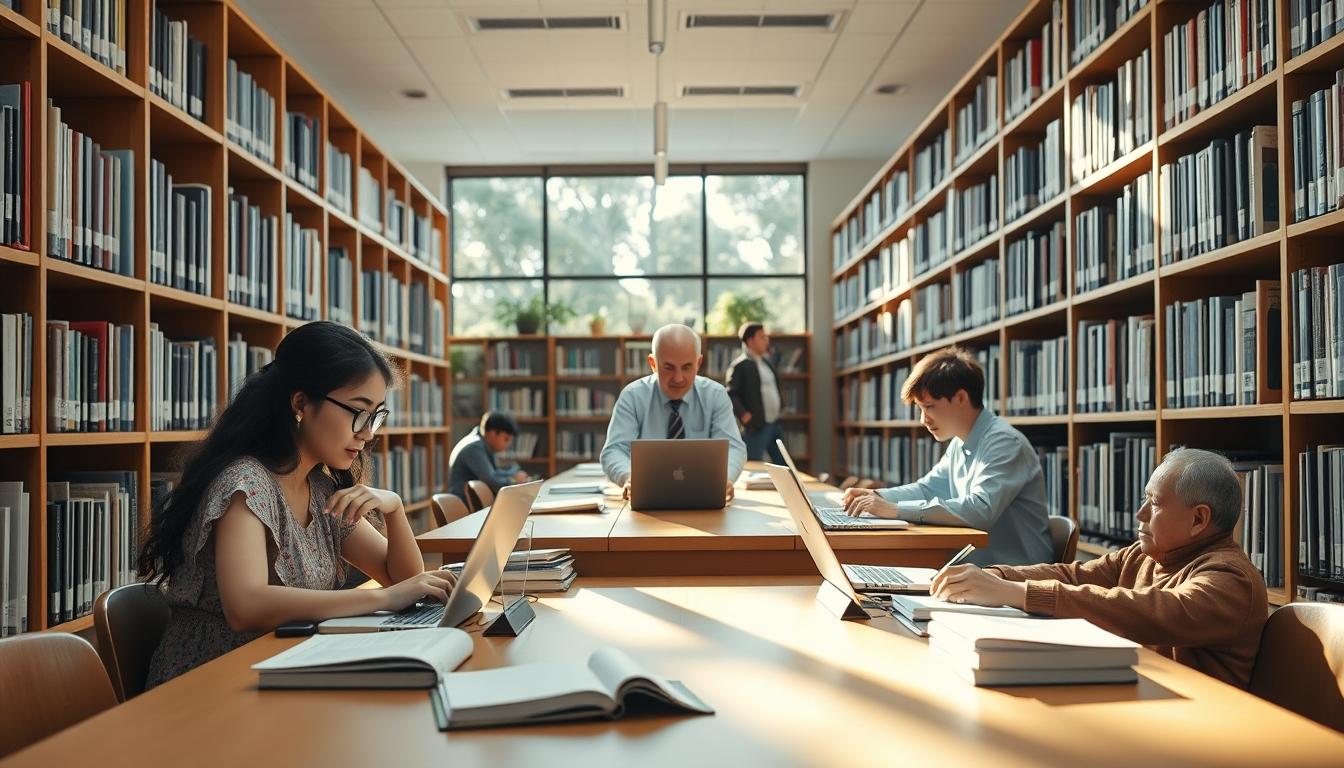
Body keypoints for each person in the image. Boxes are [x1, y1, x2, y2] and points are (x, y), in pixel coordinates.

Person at [138, 321, 455, 688]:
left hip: (283, 667)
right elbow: (246, 607)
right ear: (301, 403)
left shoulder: (319, 489)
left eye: (377, 416)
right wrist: (382, 600)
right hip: (213, 682)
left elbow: (404, 580)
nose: (368, 433)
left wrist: (396, 510)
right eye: (359, 412)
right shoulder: (245, 484)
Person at [931, 448, 1269, 689]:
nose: (1139, 514)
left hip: (1204, 728)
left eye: (1154, 503)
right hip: (1145, 696)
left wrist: (1019, 594)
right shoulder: (1143, 554)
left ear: (1199, 519)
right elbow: (1074, 575)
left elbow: (1148, 610)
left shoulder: (1231, 579)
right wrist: (999, 577)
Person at [842, 346, 1052, 566]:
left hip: (1017, 575)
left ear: (961, 398)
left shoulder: (1005, 442)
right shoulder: (960, 442)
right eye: (920, 409)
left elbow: (980, 509)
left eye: (929, 407)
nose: (923, 419)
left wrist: (896, 510)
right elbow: (927, 488)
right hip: (977, 570)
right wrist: (875, 496)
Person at [601, 323, 747, 501]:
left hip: (704, 496)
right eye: (669, 368)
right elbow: (614, 449)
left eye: (686, 367)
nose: (678, 378)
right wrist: (630, 478)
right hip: (647, 497)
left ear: (698, 363)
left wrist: (725, 478)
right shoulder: (632, 397)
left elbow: (734, 447)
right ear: (653, 364)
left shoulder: (715, 395)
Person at [725, 321, 786, 464]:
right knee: (753, 464)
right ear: (750, 341)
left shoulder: (767, 363)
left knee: (784, 465)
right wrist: (743, 415)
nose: (767, 340)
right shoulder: (740, 365)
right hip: (756, 426)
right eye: (762, 337)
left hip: (775, 423)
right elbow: (731, 393)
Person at [447, 411, 529, 505]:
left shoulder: (482, 443)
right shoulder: (474, 447)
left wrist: (514, 474)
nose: (508, 445)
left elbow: (494, 472)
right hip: (463, 507)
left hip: (472, 503)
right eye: (506, 439)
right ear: (493, 433)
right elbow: (491, 480)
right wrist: (513, 480)